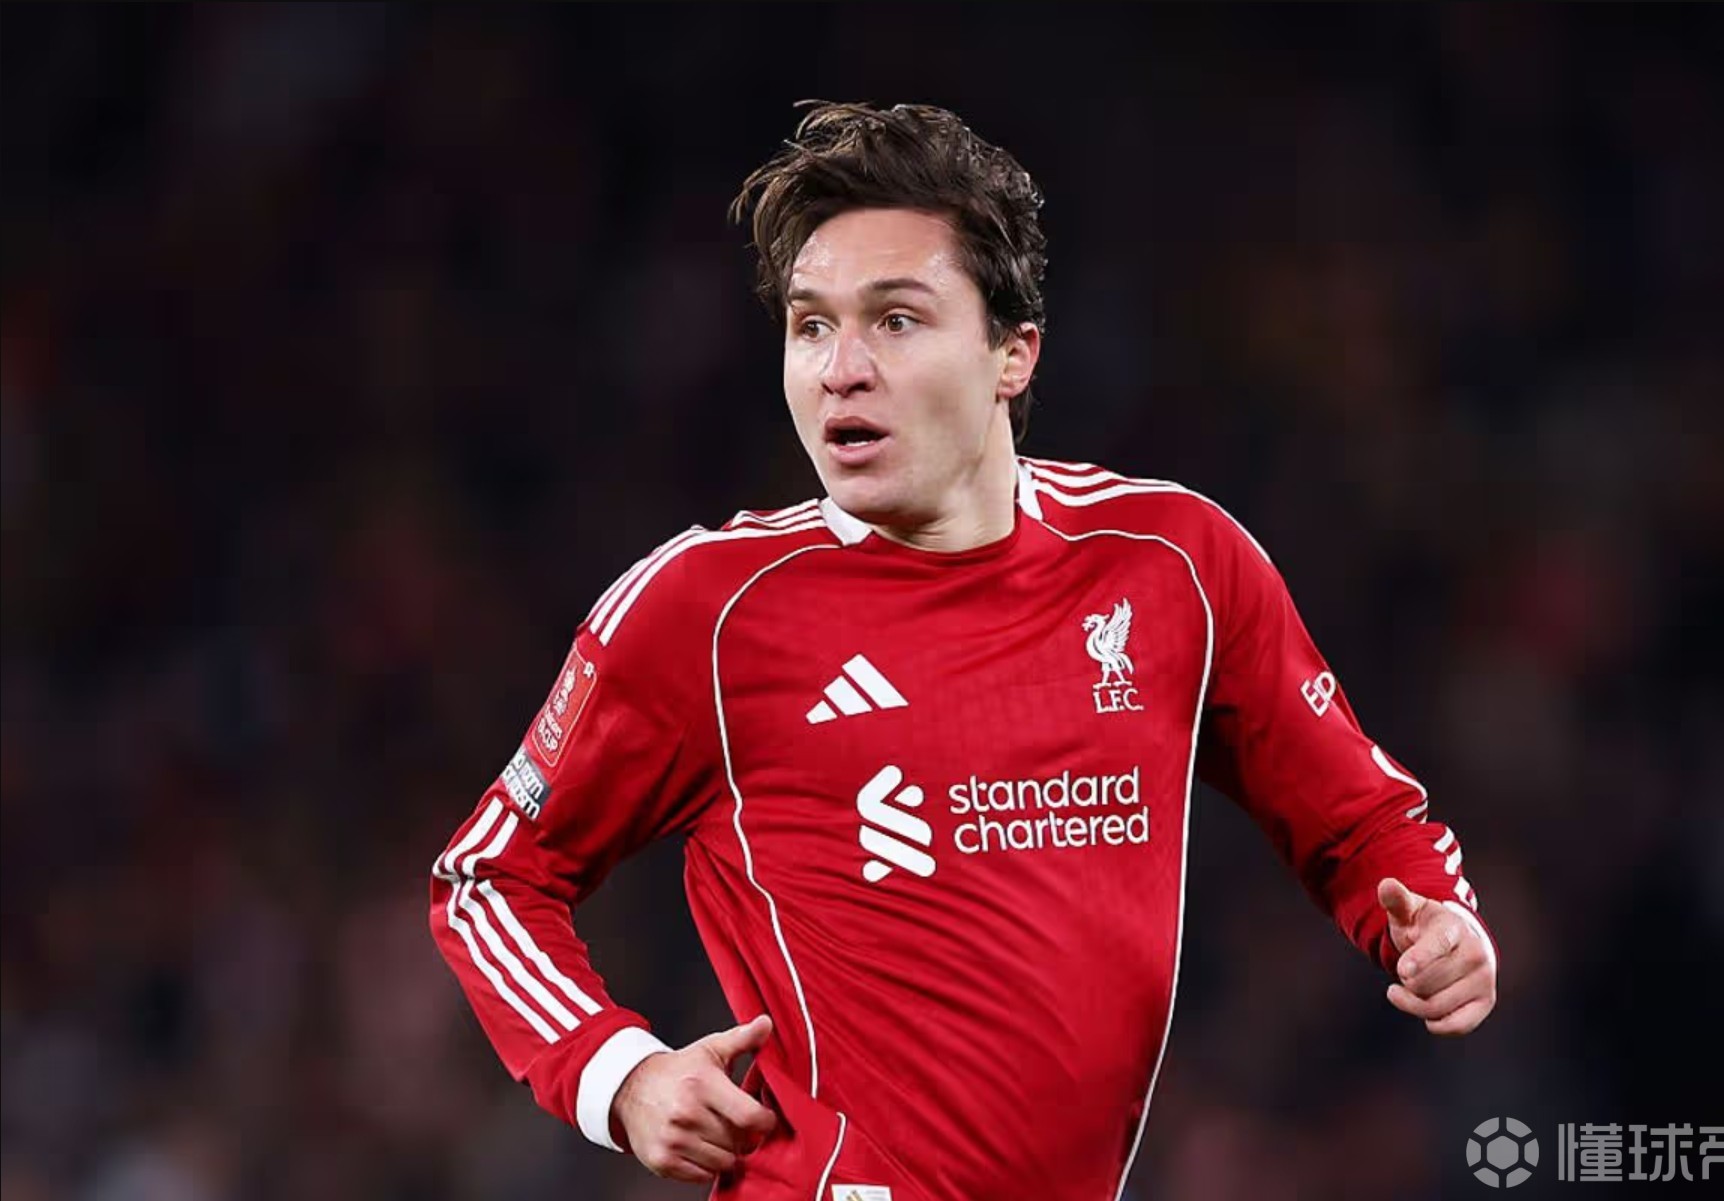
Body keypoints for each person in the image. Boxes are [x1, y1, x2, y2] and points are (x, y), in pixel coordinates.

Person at [428, 100, 1498, 1200]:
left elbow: (1358, 819)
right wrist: (618, 1073)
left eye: (895, 320)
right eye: (810, 326)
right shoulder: (704, 609)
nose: (841, 368)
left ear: (1011, 354)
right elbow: (486, 878)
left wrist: (1434, 915)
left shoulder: (1175, 565)